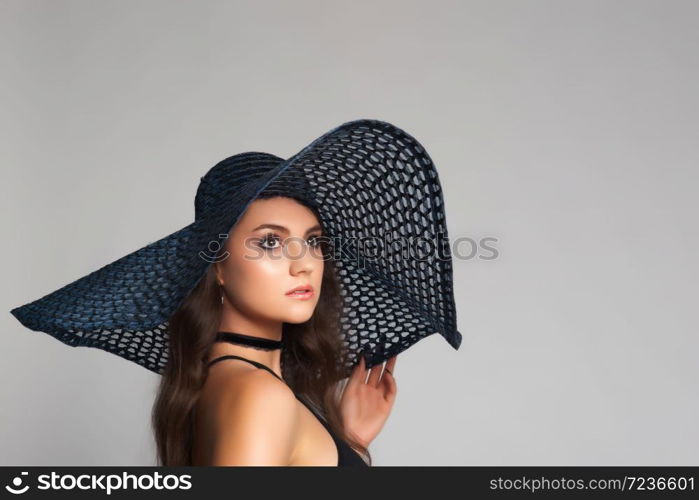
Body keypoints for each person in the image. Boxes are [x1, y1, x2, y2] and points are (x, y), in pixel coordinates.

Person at [153, 193, 397, 466]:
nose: (304, 264)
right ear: (218, 265)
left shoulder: (221, 381)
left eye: (313, 241)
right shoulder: (261, 394)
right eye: (270, 242)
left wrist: (350, 444)